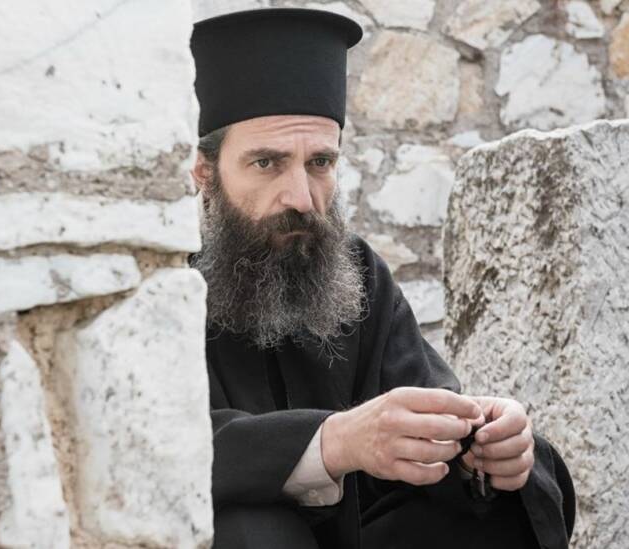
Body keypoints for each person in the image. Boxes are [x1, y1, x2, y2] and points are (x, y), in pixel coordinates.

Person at [188, 8, 575, 549]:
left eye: (320, 163)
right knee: (252, 530)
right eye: (266, 163)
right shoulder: (160, 282)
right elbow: (166, 447)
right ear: (205, 175)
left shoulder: (355, 271)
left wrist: (481, 444)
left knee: (524, 484)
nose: (302, 199)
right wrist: (334, 442)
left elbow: (428, 409)